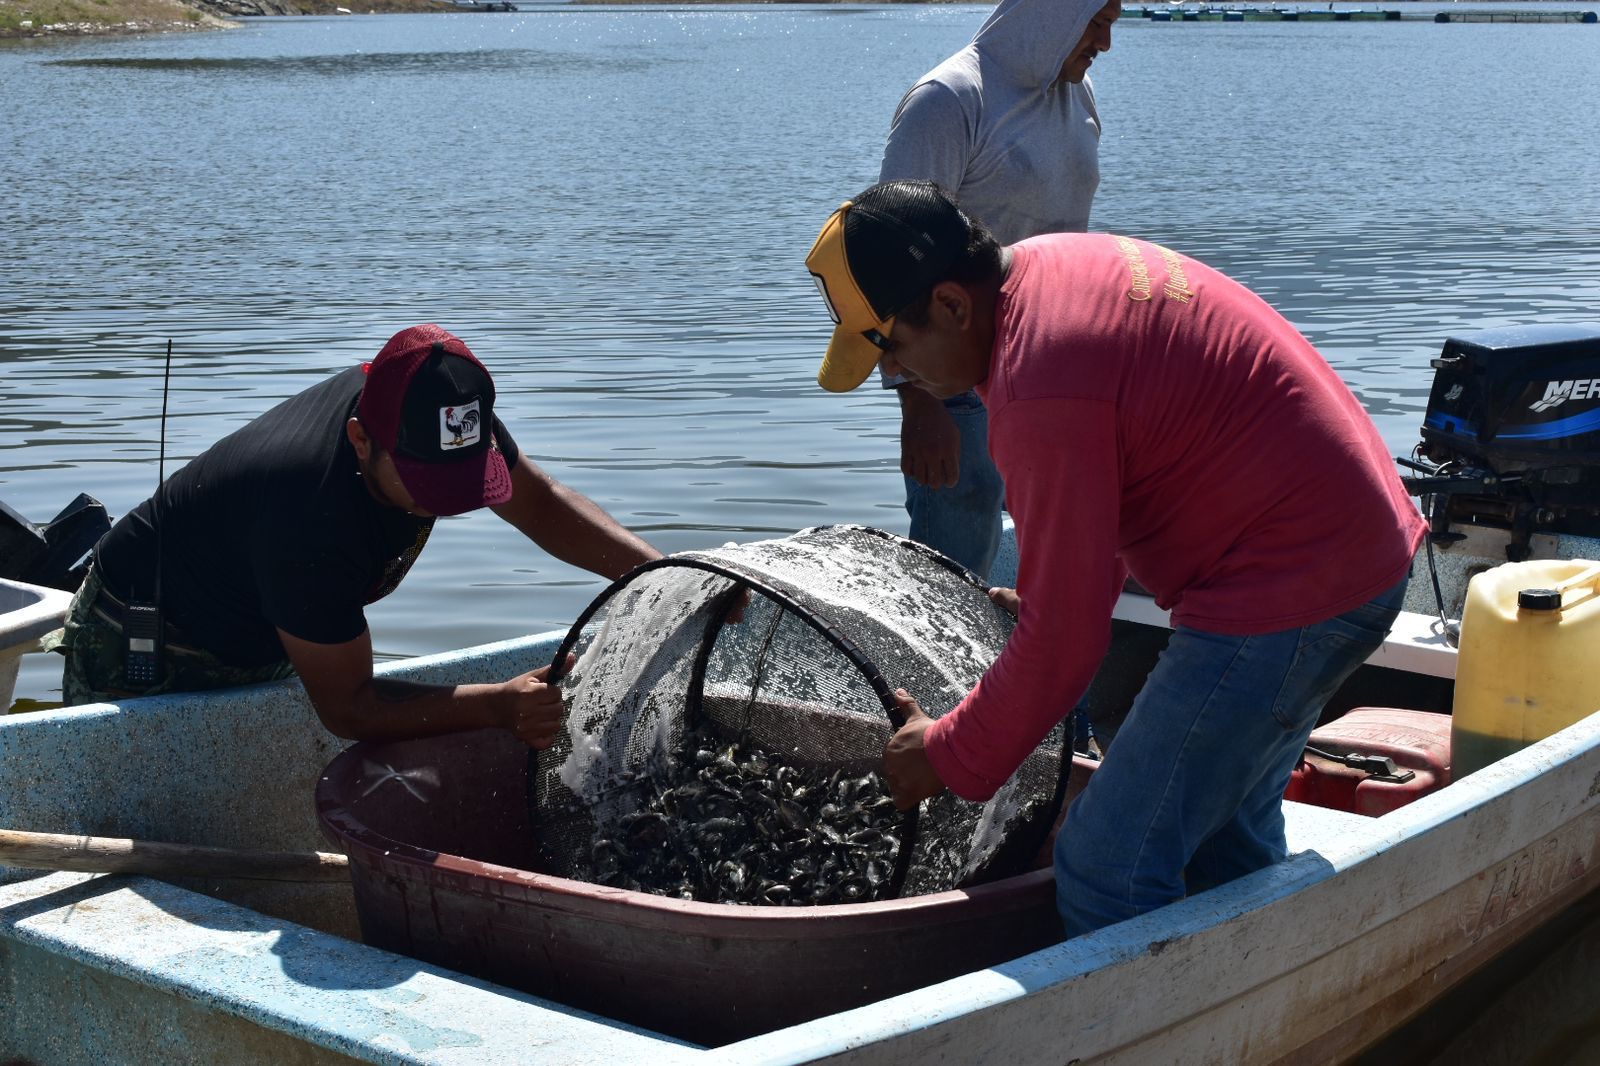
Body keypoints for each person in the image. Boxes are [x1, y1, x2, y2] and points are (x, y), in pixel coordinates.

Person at [804, 181, 1425, 936]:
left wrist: (941, 752)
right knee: (1223, 838)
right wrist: (1051, 598)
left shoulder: (1039, 382)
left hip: (1294, 586)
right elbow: (1143, 446)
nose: (898, 377)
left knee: (1108, 864)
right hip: (1355, 541)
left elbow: (1065, 651)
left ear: (952, 305)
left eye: (894, 349)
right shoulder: (1039, 269)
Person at [58, 324, 661, 749]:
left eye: (465, 482)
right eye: (430, 485)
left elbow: (541, 503)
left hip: (269, 620)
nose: (447, 505)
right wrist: (498, 706)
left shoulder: (441, 408)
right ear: (360, 440)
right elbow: (350, 709)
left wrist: (664, 576)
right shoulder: (308, 517)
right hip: (145, 639)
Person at [874, 0, 1121, 580]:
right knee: (953, 569)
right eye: (1097, 23)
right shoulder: (950, 100)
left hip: (1045, 369)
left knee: (1055, 550)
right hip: (954, 381)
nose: (1105, 44)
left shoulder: (1077, 96)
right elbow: (887, 253)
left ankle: (1028, 665)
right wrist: (917, 399)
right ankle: (941, 674)